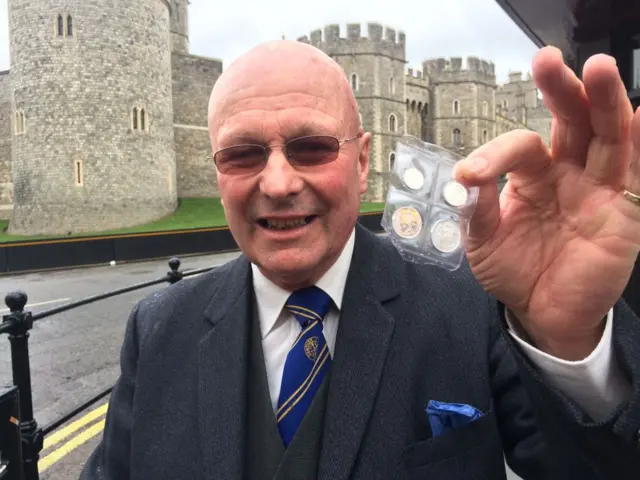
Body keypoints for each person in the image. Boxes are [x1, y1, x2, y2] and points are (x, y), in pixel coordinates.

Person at [81, 40, 640, 479]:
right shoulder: (157, 330)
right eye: (243, 154)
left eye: (313, 147)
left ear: (363, 157)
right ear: (216, 170)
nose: (278, 182)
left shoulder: (473, 309)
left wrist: (572, 345)